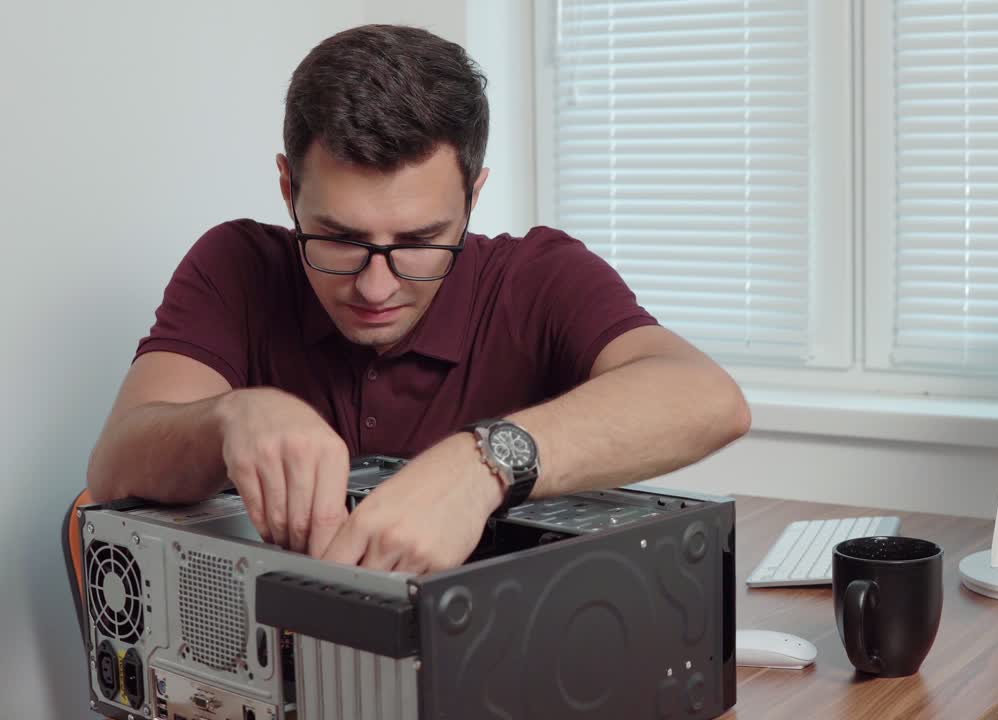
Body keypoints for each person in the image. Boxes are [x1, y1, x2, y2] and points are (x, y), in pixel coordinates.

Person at [85, 24, 750, 576]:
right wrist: (229, 419)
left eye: (422, 240)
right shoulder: (237, 266)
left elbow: (708, 398)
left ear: (474, 196)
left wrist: (481, 465)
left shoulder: (539, 276)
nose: (376, 287)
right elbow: (114, 465)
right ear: (288, 187)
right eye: (339, 239)